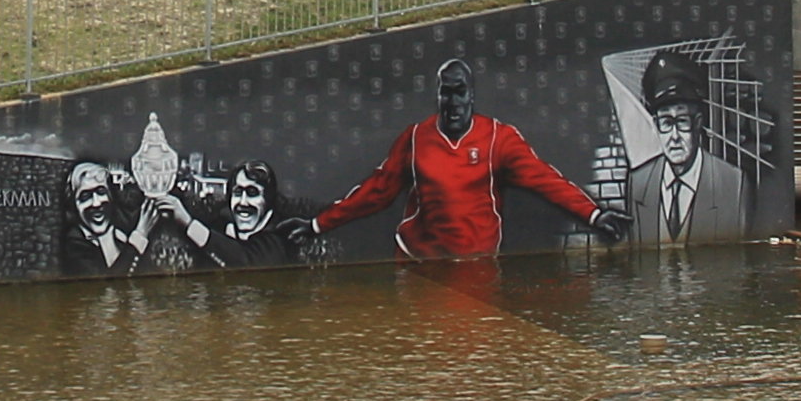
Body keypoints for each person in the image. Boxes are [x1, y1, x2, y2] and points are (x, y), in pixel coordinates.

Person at [318, 57, 601, 260]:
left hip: (476, 263)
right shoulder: (416, 138)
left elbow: (545, 179)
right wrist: (317, 225)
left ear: (472, 96)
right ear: (438, 96)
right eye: (446, 93)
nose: (453, 103)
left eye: (460, 92)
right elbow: (377, 191)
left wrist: (594, 214)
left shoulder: (498, 138)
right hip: (418, 261)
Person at [616, 47, 741, 245]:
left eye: (681, 121)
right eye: (666, 122)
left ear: (698, 122)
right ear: (656, 125)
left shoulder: (733, 184)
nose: (674, 137)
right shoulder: (638, 183)